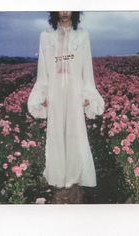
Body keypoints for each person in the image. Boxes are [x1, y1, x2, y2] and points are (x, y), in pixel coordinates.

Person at [27, 11, 105, 191]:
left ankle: (74, 174)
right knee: (56, 131)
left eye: (69, 8)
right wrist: (43, 93)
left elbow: (86, 66)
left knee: (75, 130)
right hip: (55, 91)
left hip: (75, 90)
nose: (64, 12)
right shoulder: (46, 37)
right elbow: (43, 68)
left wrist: (87, 93)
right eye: (60, 8)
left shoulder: (82, 35)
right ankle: (59, 175)